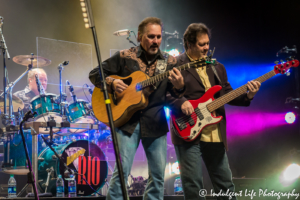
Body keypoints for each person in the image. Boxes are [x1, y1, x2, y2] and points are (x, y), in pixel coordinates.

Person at [89, 17, 185, 200]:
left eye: (158, 37)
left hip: (155, 122)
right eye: (151, 37)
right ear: (140, 36)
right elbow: (94, 74)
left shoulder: (170, 61)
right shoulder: (125, 56)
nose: (155, 41)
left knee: (157, 177)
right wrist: (112, 82)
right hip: (127, 123)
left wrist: (180, 86)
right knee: (121, 173)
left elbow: (174, 93)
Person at [167, 23, 261, 200]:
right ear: (189, 44)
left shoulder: (217, 66)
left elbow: (226, 94)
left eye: (208, 43)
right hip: (188, 130)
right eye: (201, 44)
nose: (206, 47)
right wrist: (181, 102)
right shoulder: (176, 64)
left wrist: (249, 96)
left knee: (225, 185)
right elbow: (165, 94)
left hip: (214, 132)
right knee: (193, 186)